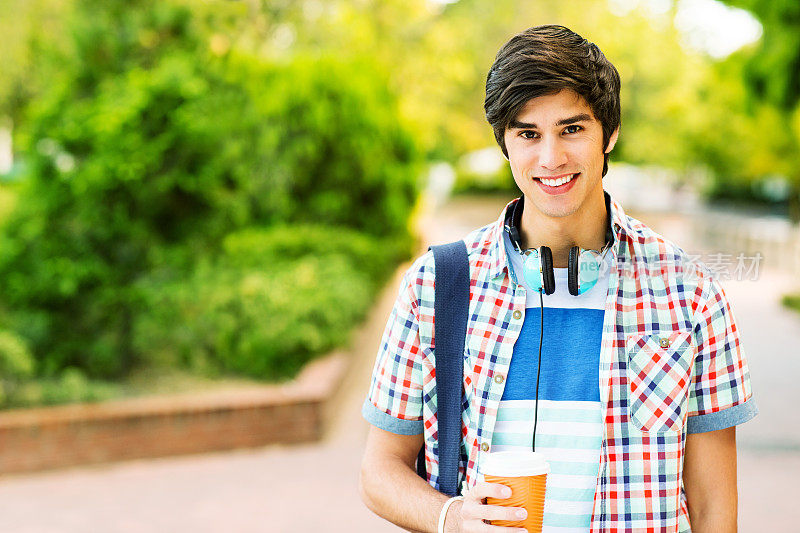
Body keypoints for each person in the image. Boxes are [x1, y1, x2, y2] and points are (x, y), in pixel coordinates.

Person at [359, 25, 757, 533]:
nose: (550, 159)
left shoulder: (691, 292)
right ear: (505, 142)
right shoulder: (436, 286)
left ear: (609, 134)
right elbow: (379, 469)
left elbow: (713, 507)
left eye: (572, 129)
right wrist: (454, 518)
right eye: (528, 134)